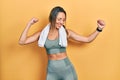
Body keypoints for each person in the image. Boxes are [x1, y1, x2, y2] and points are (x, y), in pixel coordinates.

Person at [19, 6, 105, 80]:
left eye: (63, 20)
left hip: (67, 71)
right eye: (59, 19)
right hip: (52, 72)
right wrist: (29, 24)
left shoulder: (66, 33)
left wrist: (99, 29)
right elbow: (22, 41)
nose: (61, 22)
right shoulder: (42, 34)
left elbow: (87, 39)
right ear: (52, 18)